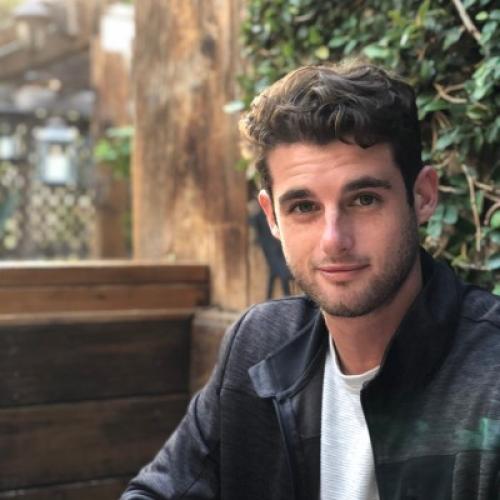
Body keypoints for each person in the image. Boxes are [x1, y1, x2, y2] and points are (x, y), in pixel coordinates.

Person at [121, 60, 500, 500]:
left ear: (422, 196)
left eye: (364, 199)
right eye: (304, 207)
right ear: (272, 217)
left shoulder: (490, 376)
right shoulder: (259, 344)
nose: (333, 240)